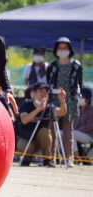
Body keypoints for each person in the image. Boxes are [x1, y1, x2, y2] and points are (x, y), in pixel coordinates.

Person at [46, 36, 83, 167]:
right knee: (52, 131)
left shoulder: (76, 65)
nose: (62, 50)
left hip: (71, 101)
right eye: (60, 47)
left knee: (69, 132)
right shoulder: (52, 65)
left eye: (65, 48)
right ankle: (51, 159)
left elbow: (79, 83)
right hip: (54, 101)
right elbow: (48, 83)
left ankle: (69, 159)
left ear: (70, 49)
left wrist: (78, 96)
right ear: (56, 49)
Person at [17, 82, 66, 167]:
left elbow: (62, 112)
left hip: (40, 141)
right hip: (26, 138)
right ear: (34, 93)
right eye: (41, 91)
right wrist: (38, 110)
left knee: (46, 131)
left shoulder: (49, 107)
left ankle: (47, 160)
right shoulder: (26, 105)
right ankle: (26, 160)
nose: (44, 94)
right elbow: (24, 120)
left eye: (45, 92)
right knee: (24, 146)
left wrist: (62, 101)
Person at [73, 88, 93, 161]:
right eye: (80, 97)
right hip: (76, 133)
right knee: (61, 133)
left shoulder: (92, 110)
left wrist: (78, 130)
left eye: (83, 97)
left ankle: (76, 157)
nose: (80, 99)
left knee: (72, 133)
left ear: (88, 99)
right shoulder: (76, 110)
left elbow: (90, 126)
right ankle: (61, 157)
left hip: (88, 136)